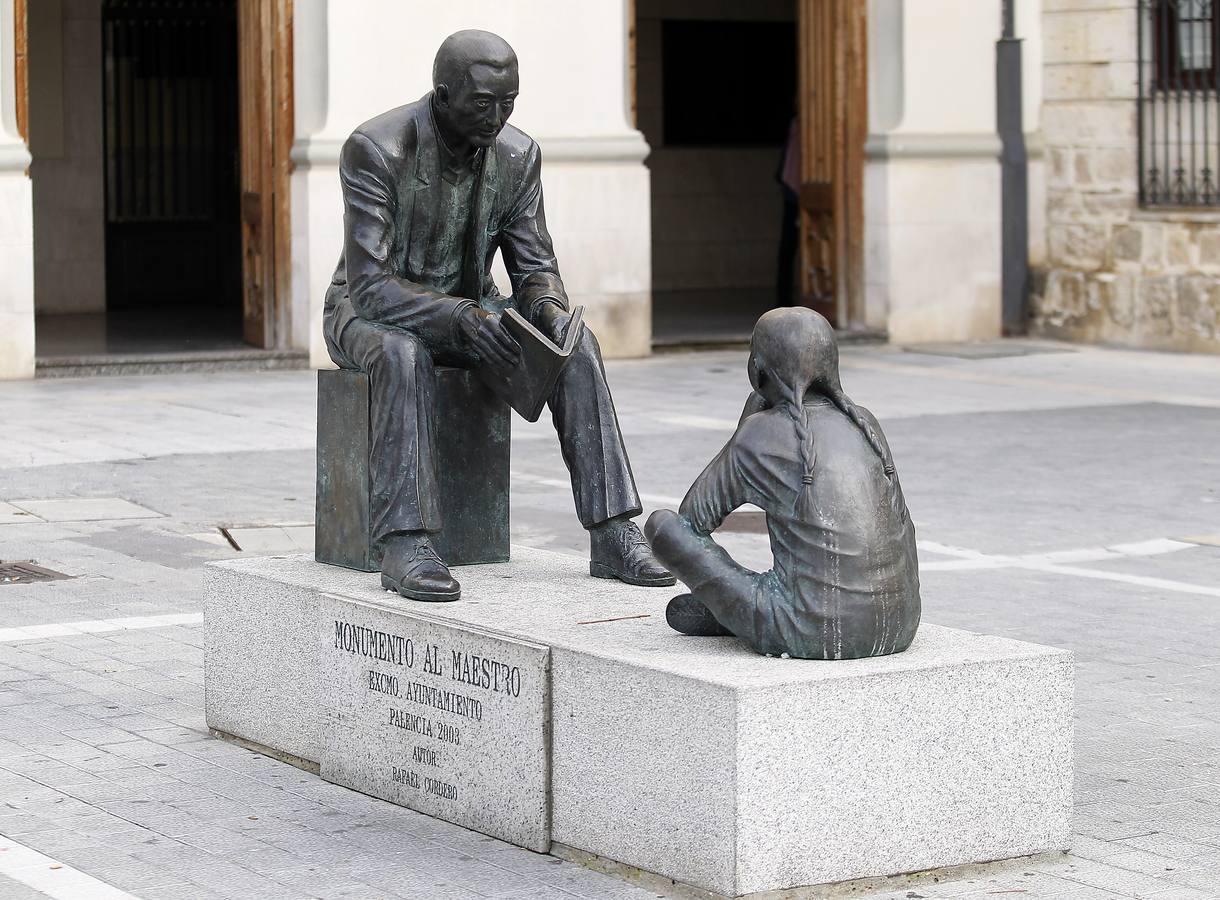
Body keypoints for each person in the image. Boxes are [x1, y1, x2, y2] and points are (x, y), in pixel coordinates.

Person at [323, 30, 674, 602]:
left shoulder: (518, 155)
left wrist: (548, 308)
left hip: (472, 305)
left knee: (576, 345)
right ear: (441, 94)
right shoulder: (377, 149)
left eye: (508, 102)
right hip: (370, 312)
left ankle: (611, 531)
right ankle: (404, 542)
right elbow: (370, 287)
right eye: (482, 103)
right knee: (399, 351)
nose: (497, 116)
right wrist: (458, 317)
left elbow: (534, 264)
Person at [645, 308, 920, 660]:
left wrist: (749, 421)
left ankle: (738, 611)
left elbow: (692, 520)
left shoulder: (760, 433)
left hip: (812, 629)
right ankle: (735, 610)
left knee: (663, 528)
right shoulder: (865, 423)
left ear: (758, 368)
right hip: (901, 624)